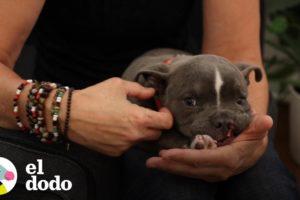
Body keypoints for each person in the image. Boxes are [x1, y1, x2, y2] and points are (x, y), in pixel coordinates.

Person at [0, 0, 298, 200]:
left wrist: (248, 138)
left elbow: (236, 52)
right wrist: (63, 111)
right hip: (72, 102)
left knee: (267, 188)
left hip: (191, 105)